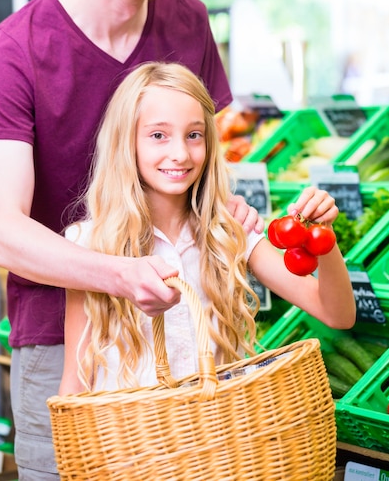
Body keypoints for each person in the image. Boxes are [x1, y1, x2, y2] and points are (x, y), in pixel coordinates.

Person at [0, 0, 263, 479]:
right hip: (63, 342)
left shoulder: (189, 21)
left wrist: (234, 210)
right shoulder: (15, 50)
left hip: (189, 338)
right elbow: (2, 231)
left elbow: (212, 164)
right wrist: (121, 275)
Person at [59, 61, 356, 397]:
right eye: (158, 135)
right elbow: (77, 377)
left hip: (214, 436)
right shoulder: (89, 243)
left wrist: (323, 240)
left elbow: (337, 314)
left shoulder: (231, 231)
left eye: (194, 135)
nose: (180, 153)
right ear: (126, 143)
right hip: (131, 440)